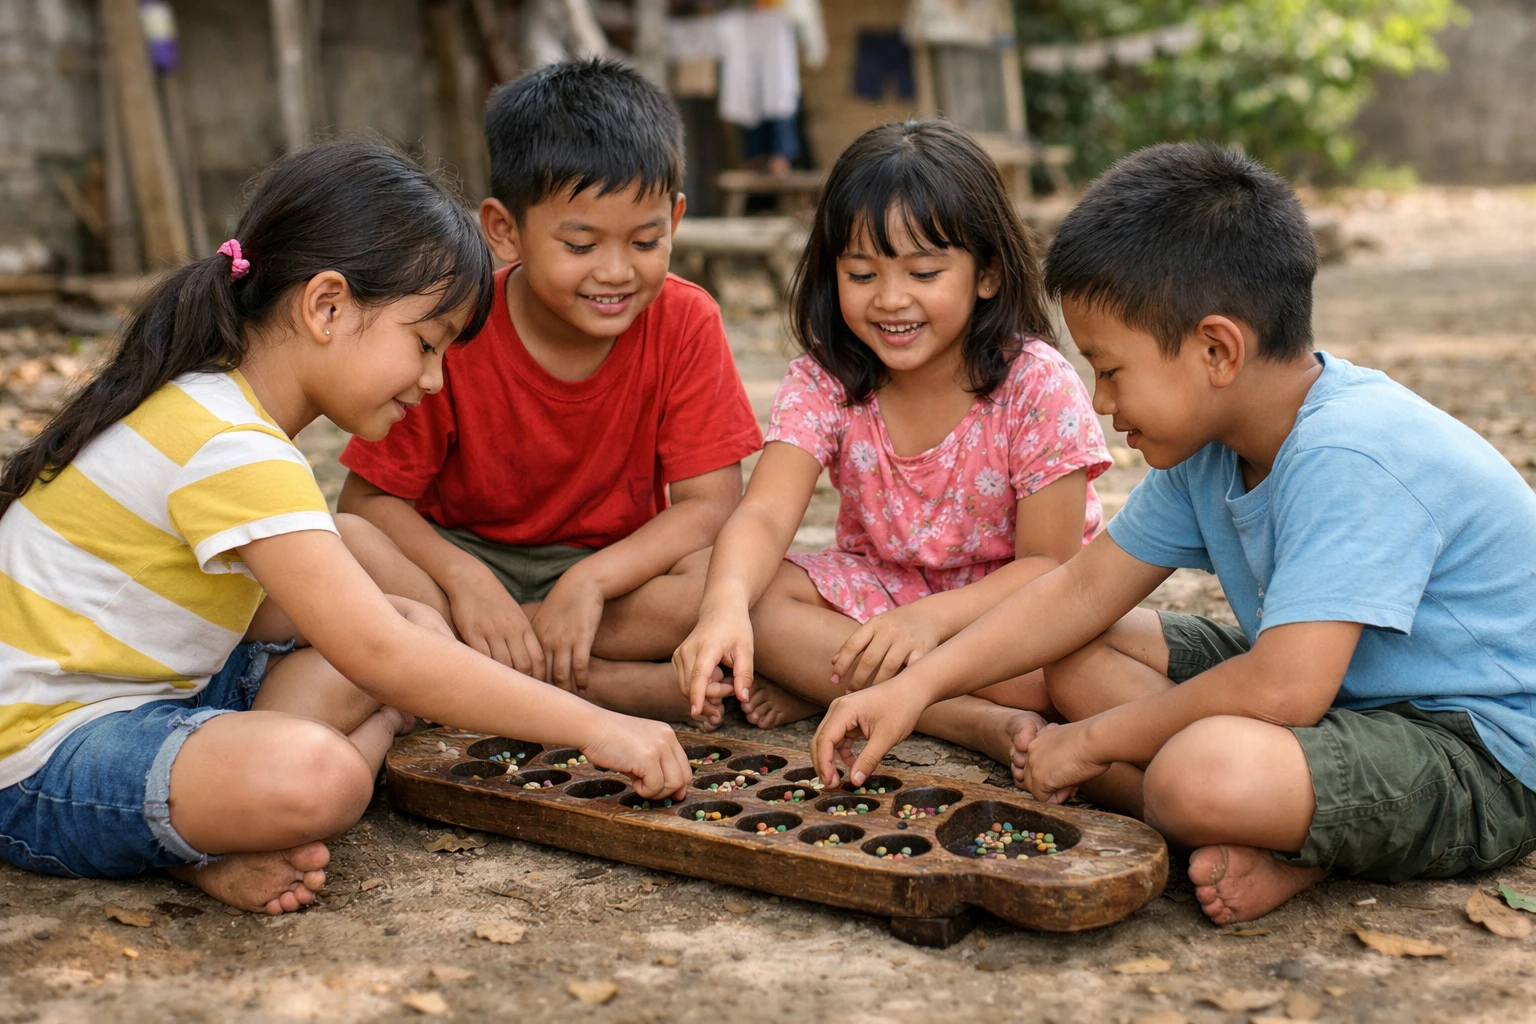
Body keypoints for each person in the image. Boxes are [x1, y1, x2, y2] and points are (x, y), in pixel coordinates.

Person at [810, 141, 1536, 925]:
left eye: (1112, 370)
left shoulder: (1350, 452)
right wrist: (912, 689)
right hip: (1344, 698)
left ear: (1215, 349)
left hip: (1477, 748)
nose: (1099, 398)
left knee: (1201, 773)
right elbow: (1081, 590)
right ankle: (1269, 830)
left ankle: (1288, 837)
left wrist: (1089, 745)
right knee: (1079, 654)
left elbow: (1283, 689)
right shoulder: (1211, 445)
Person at [0, 141, 690, 916]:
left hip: (160, 689)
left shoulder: (215, 405)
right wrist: (598, 728)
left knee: (393, 608)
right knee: (324, 772)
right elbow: (381, 653)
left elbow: (366, 630)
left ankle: (229, 816)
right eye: (425, 345)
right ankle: (215, 840)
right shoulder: (230, 444)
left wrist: (409, 647)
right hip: (42, 759)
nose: (432, 380)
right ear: (327, 306)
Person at [339, 59, 761, 730]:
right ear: (505, 230)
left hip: (614, 581)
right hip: (463, 566)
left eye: (647, 240)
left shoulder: (686, 321)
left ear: (676, 217)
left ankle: (489, 674)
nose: (617, 272)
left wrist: (591, 582)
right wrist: (465, 582)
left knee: (731, 574)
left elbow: (712, 506)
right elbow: (369, 502)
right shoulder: (457, 325)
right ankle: (602, 685)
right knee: (347, 542)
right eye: (582, 243)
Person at [674, 119, 1111, 766]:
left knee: (1066, 672)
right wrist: (725, 607)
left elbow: (1048, 568)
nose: (891, 299)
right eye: (862, 274)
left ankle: (833, 681)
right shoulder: (825, 380)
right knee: (742, 593)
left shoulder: (1036, 386)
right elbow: (763, 514)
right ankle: (958, 719)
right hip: (879, 595)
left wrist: (928, 624)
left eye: (924, 271)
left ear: (987, 273)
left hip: (1005, 613)